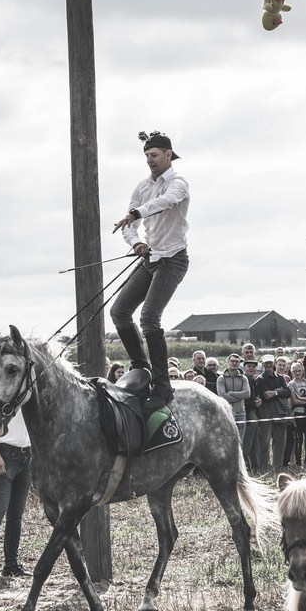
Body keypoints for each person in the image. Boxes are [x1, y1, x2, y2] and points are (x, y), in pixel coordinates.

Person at [111, 131, 189, 411]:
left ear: (169, 154)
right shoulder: (142, 187)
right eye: (146, 156)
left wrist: (137, 214)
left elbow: (163, 203)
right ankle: (140, 366)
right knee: (119, 312)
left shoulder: (179, 183)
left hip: (173, 260)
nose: (150, 160)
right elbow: (128, 225)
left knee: (149, 318)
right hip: (151, 259)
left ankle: (162, 385)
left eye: (154, 155)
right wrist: (137, 242)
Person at [0, 408, 33, 580]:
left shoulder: (30, 394)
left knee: (16, 514)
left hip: (28, 454)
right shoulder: (4, 391)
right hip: (6, 453)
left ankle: (11, 564)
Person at [216, 354, 251, 444]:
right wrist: (239, 397)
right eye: (232, 361)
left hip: (240, 413)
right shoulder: (221, 378)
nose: (234, 363)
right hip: (226, 414)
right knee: (227, 443)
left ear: (239, 363)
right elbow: (222, 395)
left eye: (237, 361)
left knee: (240, 443)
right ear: (228, 362)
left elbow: (247, 394)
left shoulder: (243, 378)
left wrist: (231, 393)